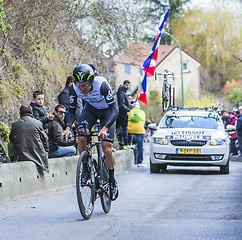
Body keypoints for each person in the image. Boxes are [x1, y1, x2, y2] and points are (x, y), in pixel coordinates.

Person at [64, 64, 119, 201]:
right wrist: (67, 128)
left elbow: (115, 110)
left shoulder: (102, 85)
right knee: (81, 135)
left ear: (92, 81)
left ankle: (112, 179)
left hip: (108, 112)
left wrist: (105, 128)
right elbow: (70, 110)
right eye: (79, 85)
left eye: (86, 85)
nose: (82, 89)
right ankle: (85, 168)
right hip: (91, 110)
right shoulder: (74, 89)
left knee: (106, 148)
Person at [8, 104, 48, 170]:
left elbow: (11, 139)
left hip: (21, 156)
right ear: (32, 113)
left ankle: (13, 161)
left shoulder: (14, 124)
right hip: (37, 156)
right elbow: (45, 139)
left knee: (10, 143)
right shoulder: (38, 123)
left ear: (20, 113)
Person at [127, 101, 146, 167]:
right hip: (140, 130)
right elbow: (143, 121)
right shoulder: (142, 112)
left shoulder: (130, 111)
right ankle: (139, 162)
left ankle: (129, 144)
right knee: (140, 147)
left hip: (130, 130)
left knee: (129, 145)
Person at [116, 80, 133, 150]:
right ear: (123, 85)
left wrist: (129, 106)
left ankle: (122, 144)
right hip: (122, 114)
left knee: (121, 129)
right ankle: (124, 144)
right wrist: (128, 109)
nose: (128, 87)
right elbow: (122, 105)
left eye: (128, 85)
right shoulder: (122, 93)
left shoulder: (123, 92)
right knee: (123, 129)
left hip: (121, 113)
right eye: (126, 85)